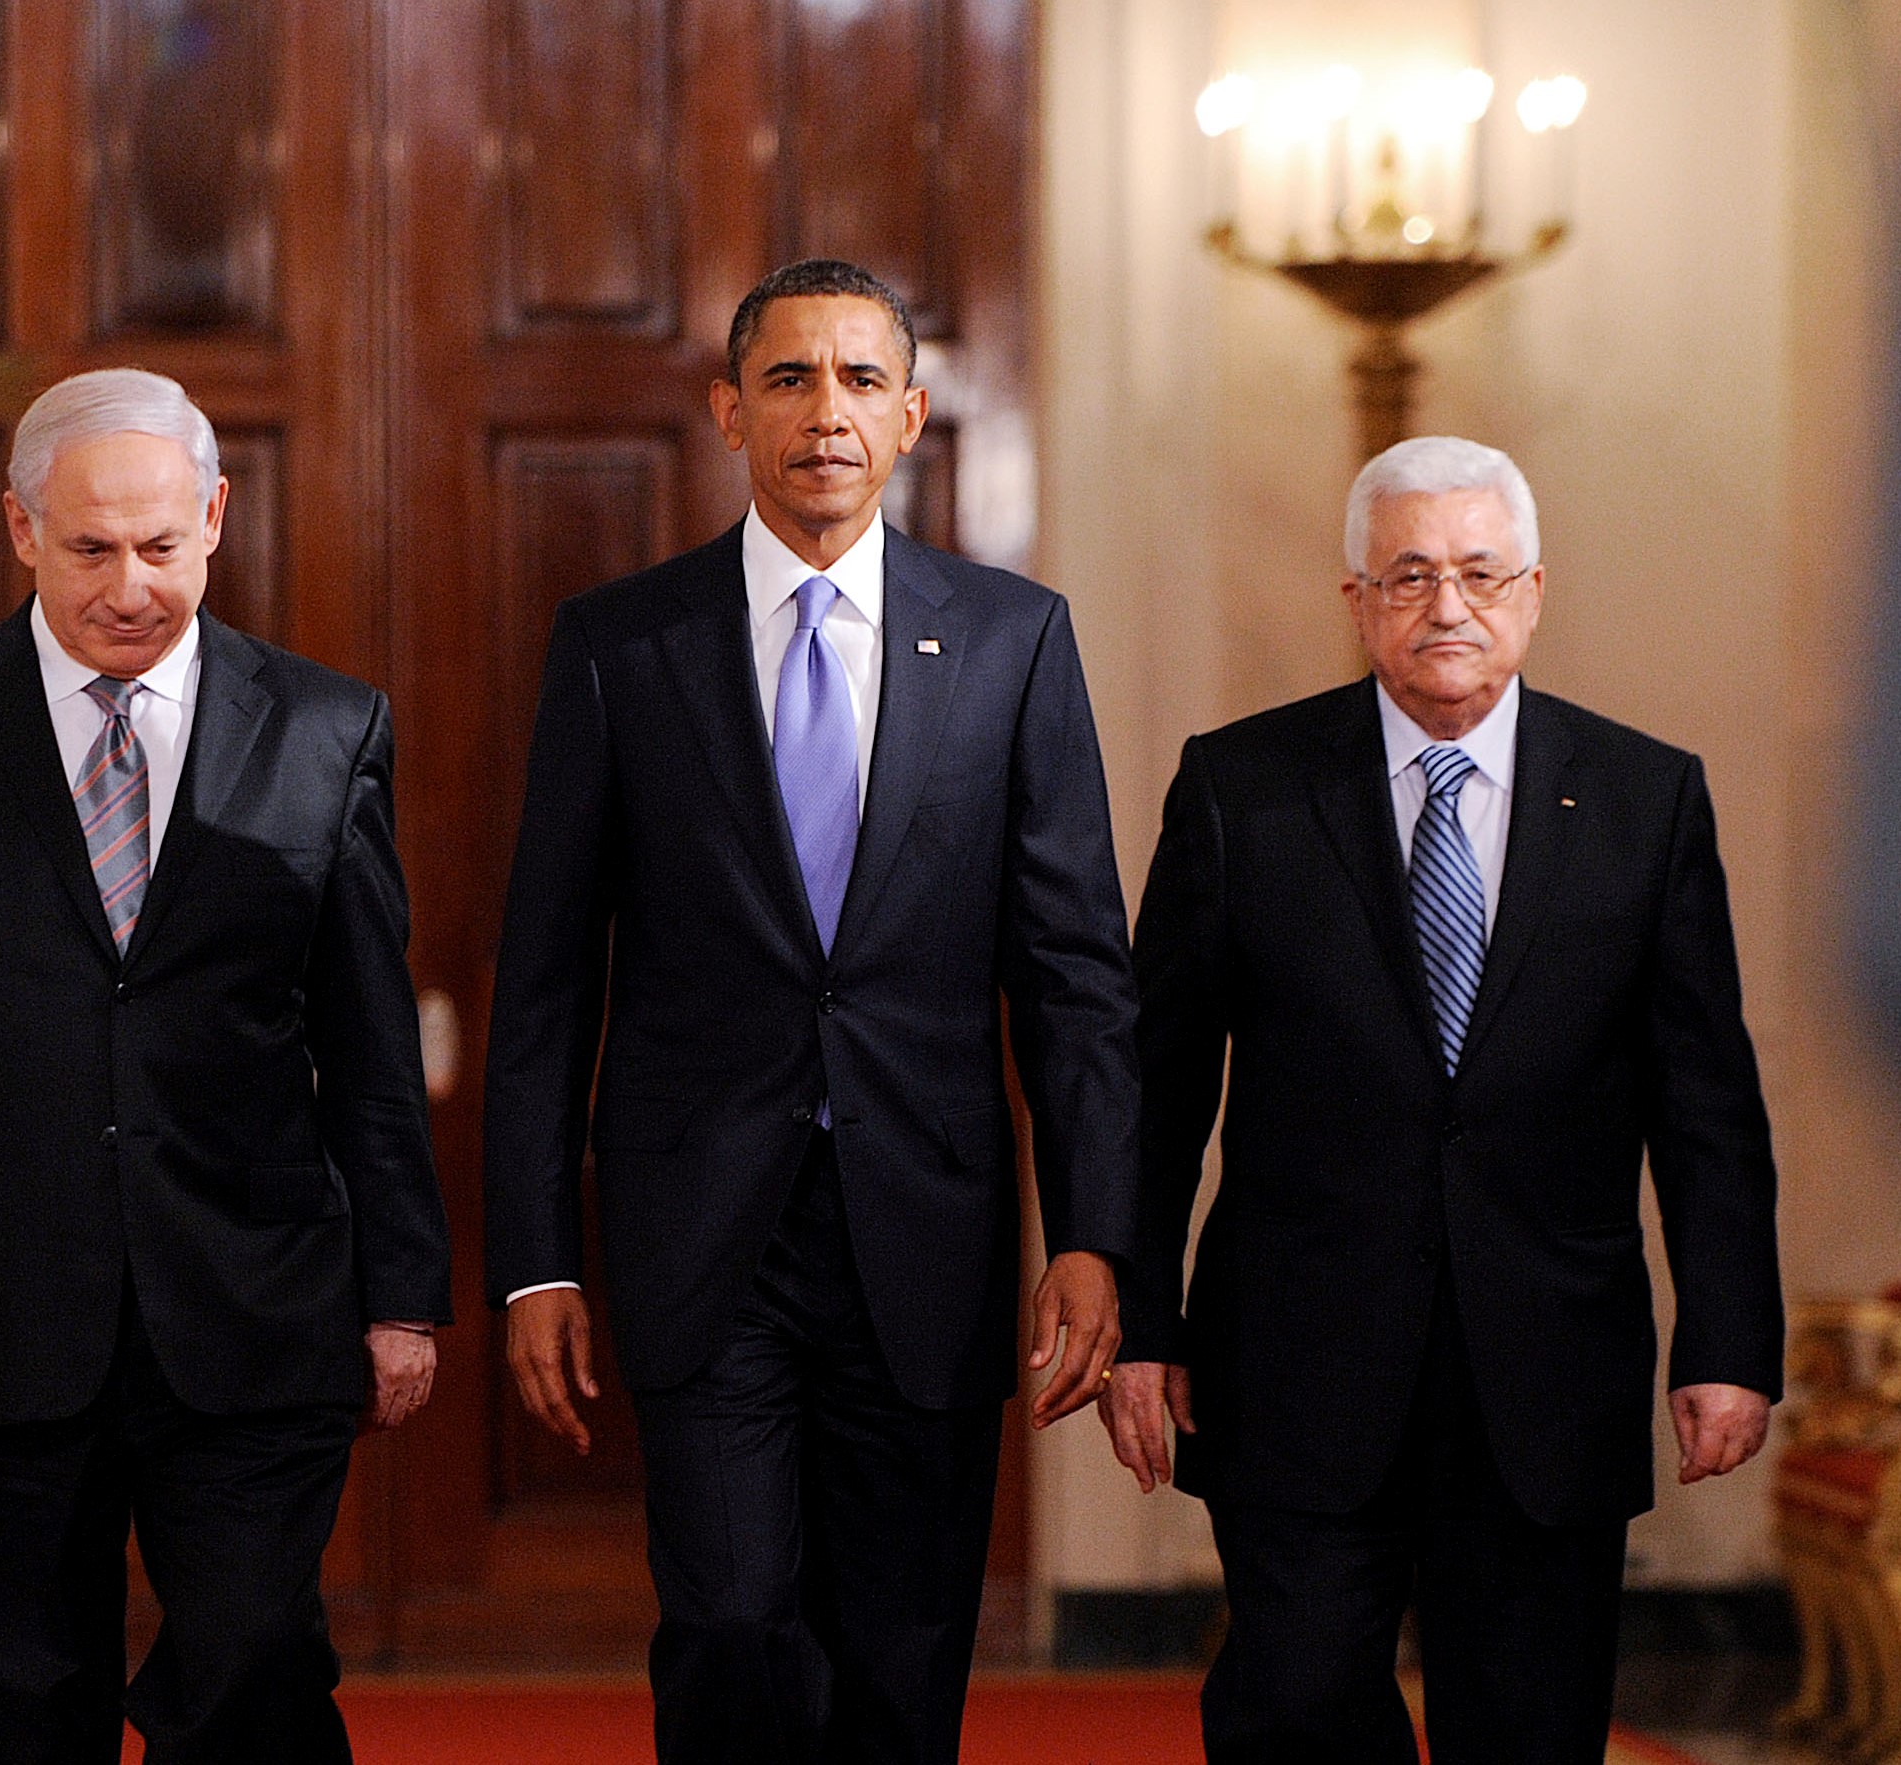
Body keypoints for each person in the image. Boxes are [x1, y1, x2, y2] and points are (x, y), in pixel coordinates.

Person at [484, 259, 1142, 1764]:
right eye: (788, 379)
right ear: (729, 411)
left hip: (926, 1231)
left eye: (858, 381)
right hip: (705, 1234)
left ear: (912, 416)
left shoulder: (1012, 640)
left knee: (902, 1660)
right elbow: (542, 981)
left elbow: (1075, 970)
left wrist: (1094, 1230)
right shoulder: (619, 644)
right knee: (726, 1623)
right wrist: (531, 1263)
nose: (824, 412)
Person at [0, 368, 451, 1763]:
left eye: (161, 545)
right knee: (17, 1704)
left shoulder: (328, 728)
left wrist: (406, 1293)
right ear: (18, 528)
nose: (130, 585)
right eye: (89, 549)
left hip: (255, 1301)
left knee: (257, 1666)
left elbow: (373, 1049)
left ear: (214, 517)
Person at [1108, 435, 1784, 1762]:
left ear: (1535, 589)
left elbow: (1708, 1102)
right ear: (1356, 597)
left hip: (1547, 1365)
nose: (1449, 607)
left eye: (1480, 572)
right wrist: (1142, 1315)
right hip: (1296, 1361)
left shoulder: (1649, 800)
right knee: (1292, 1704)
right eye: (1409, 574)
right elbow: (1157, 1082)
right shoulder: (1242, 789)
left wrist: (1728, 1335)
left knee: (1529, 1730)